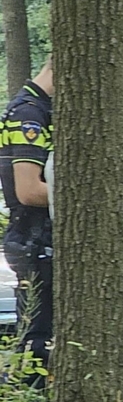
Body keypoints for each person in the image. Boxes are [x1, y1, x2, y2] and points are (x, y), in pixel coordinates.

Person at [0, 58, 54, 375]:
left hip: (42, 238)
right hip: (34, 241)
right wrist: (90, 197)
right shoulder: (29, 113)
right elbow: (28, 190)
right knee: (37, 341)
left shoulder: (41, 108)